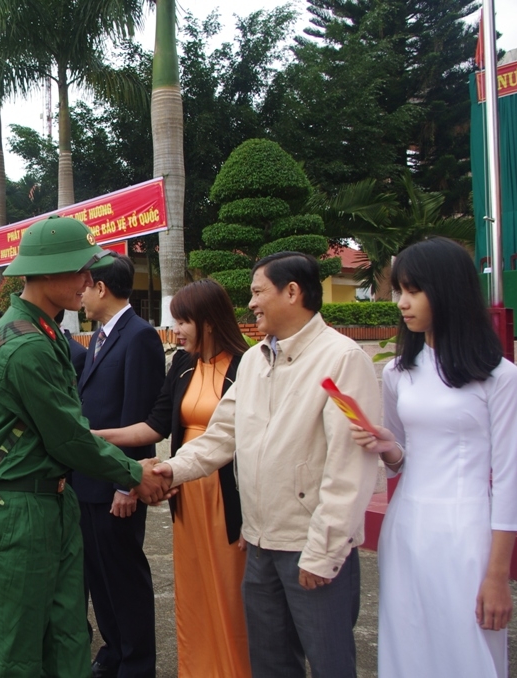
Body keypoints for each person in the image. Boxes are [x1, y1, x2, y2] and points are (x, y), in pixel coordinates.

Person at [155, 251, 380, 677]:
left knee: (330, 661)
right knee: (271, 663)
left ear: (292, 292)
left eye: (258, 292)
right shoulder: (256, 359)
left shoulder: (342, 359)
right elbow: (222, 434)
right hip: (259, 544)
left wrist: (324, 551)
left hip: (309, 546)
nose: (251, 303)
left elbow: (349, 468)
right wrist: (171, 470)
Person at [0, 215, 171, 677]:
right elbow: (67, 436)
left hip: (51, 500)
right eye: (80, 270)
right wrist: (135, 473)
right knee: (17, 651)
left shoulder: (41, 331)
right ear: (44, 273)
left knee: (67, 637)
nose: (88, 280)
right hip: (19, 509)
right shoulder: (28, 345)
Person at [350, 238, 517, 678]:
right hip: (406, 529)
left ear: (448, 290)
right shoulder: (397, 371)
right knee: (407, 649)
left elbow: (506, 480)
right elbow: (403, 458)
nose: (402, 303)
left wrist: (497, 575)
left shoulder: (500, 377)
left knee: (468, 654)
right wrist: (387, 447)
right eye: (399, 292)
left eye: (413, 291)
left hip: (466, 536)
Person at [95, 279, 251, 677]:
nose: (175, 330)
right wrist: (93, 438)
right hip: (185, 488)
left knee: (231, 590)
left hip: (227, 493)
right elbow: (153, 425)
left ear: (209, 321)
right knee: (194, 589)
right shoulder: (183, 364)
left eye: (182, 321)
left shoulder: (245, 365)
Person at [75, 254, 165, 678]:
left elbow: (138, 415)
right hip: (89, 483)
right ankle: (113, 651)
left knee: (125, 578)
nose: (80, 296)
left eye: (85, 286)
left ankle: (136, 663)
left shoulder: (140, 336)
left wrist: (127, 485)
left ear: (101, 288)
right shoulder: (100, 336)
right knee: (99, 576)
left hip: (117, 484)